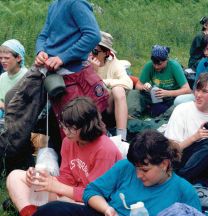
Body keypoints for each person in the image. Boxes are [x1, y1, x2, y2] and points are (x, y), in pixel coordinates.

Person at [0, 130, 201, 216]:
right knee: (53, 212)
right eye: (136, 168)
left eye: (145, 170)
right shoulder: (126, 167)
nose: (138, 175)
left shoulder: (184, 192)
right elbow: (91, 192)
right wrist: (107, 209)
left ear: (164, 164)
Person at [0, 0, 106, 170]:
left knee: (72, 124)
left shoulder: (75, 3)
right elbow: (44, 35)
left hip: (68, 72)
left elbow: (92, 35)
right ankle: (15, 162)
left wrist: (62, 57)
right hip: (44, 68)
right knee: (14, 100)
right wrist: (41, 51)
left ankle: (76, 169)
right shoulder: (55, 4)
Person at [6, 97, 122, 216]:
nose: (66, 131)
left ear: (87, 126)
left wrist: (57, 187)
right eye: (64, 126)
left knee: (63, 203)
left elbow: (96, 195)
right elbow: (66, 177)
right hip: (71, 194)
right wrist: (44, 177)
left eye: (71, 128)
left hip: (97, 204)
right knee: (15, 176)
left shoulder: (105, 150)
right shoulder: (69, 141)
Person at [89, 31, 133, 140]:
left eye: (95, 51)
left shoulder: (114, 63)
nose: (91, 54)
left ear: (106, 53)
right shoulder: (85, 62)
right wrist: (92, 73)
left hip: (108, 110)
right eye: (88, 49)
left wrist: (105, 82)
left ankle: (121, 137)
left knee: (118, 90)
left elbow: (129, 83)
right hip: (90, 109)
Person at [133, 45, 191, 117]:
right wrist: (143, 87)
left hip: (173, 97)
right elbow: (137, 86)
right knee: (135, 93)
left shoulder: (174, 66)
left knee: (171, 108)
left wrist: (168, 93)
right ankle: (134, 113)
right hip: (156, 97)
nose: (156, 66)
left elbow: (187, 90)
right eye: (154, 63)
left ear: (166, 60)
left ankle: (157, 111)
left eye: (159, 64)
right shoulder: (149, 66)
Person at [0, 39, 28, 110]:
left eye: (6, 58)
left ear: (18, 58)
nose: (3, 61)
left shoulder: (26, 77)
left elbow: (25, 107)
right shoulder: (2, 77)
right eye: (1, 58)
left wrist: (2, 106)